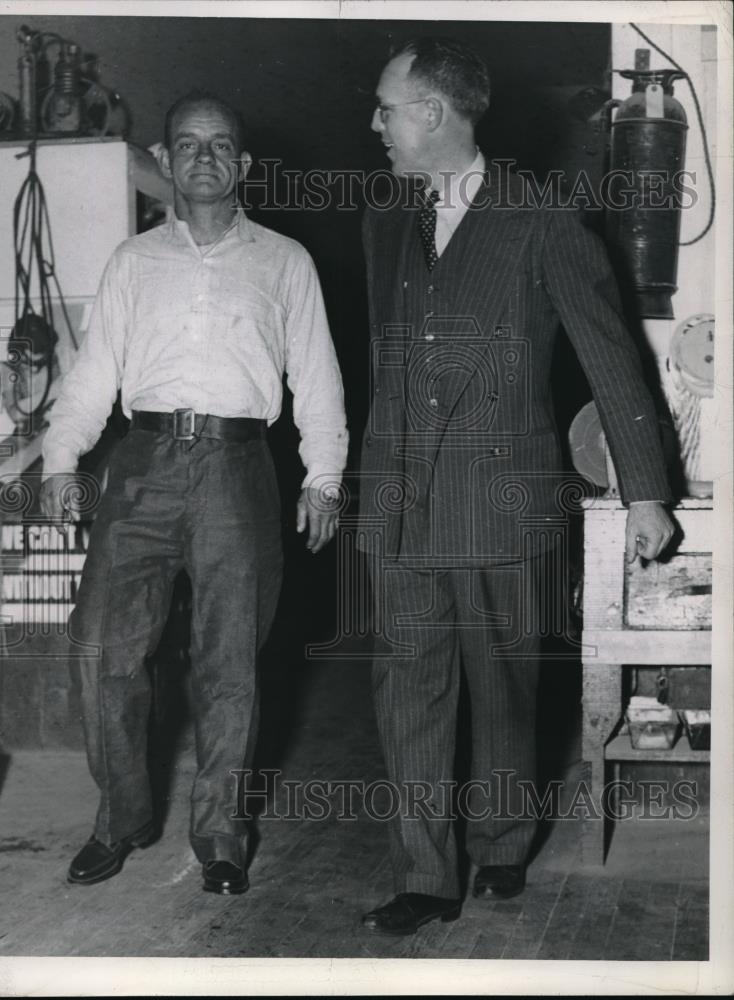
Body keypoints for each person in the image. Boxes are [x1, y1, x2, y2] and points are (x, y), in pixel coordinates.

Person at [357, 38, 675, 936]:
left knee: (502, 688)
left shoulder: (542, 216)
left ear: (432, 113)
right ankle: (424, 873)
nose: (373, 123)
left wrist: (645, 490)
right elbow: (387, 357)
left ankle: (501, 843)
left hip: (500, 494)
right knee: (405, 690)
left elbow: (610, 353)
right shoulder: (382, 217)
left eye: (385, 106)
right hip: (400, 498)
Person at [39, 90, 347, 895]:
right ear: (166, 162)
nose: (204, 157)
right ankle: (121, 819)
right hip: (141, 465)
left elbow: (317, 377)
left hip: (239, 471)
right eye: (187, 144)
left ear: (242, 166)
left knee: (229, 664)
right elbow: (92, 375)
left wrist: (325, 478)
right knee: (103, 647)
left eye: (220, 145)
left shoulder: (285, 262)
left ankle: (219, 835)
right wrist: (61, 462)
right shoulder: (132, 262)